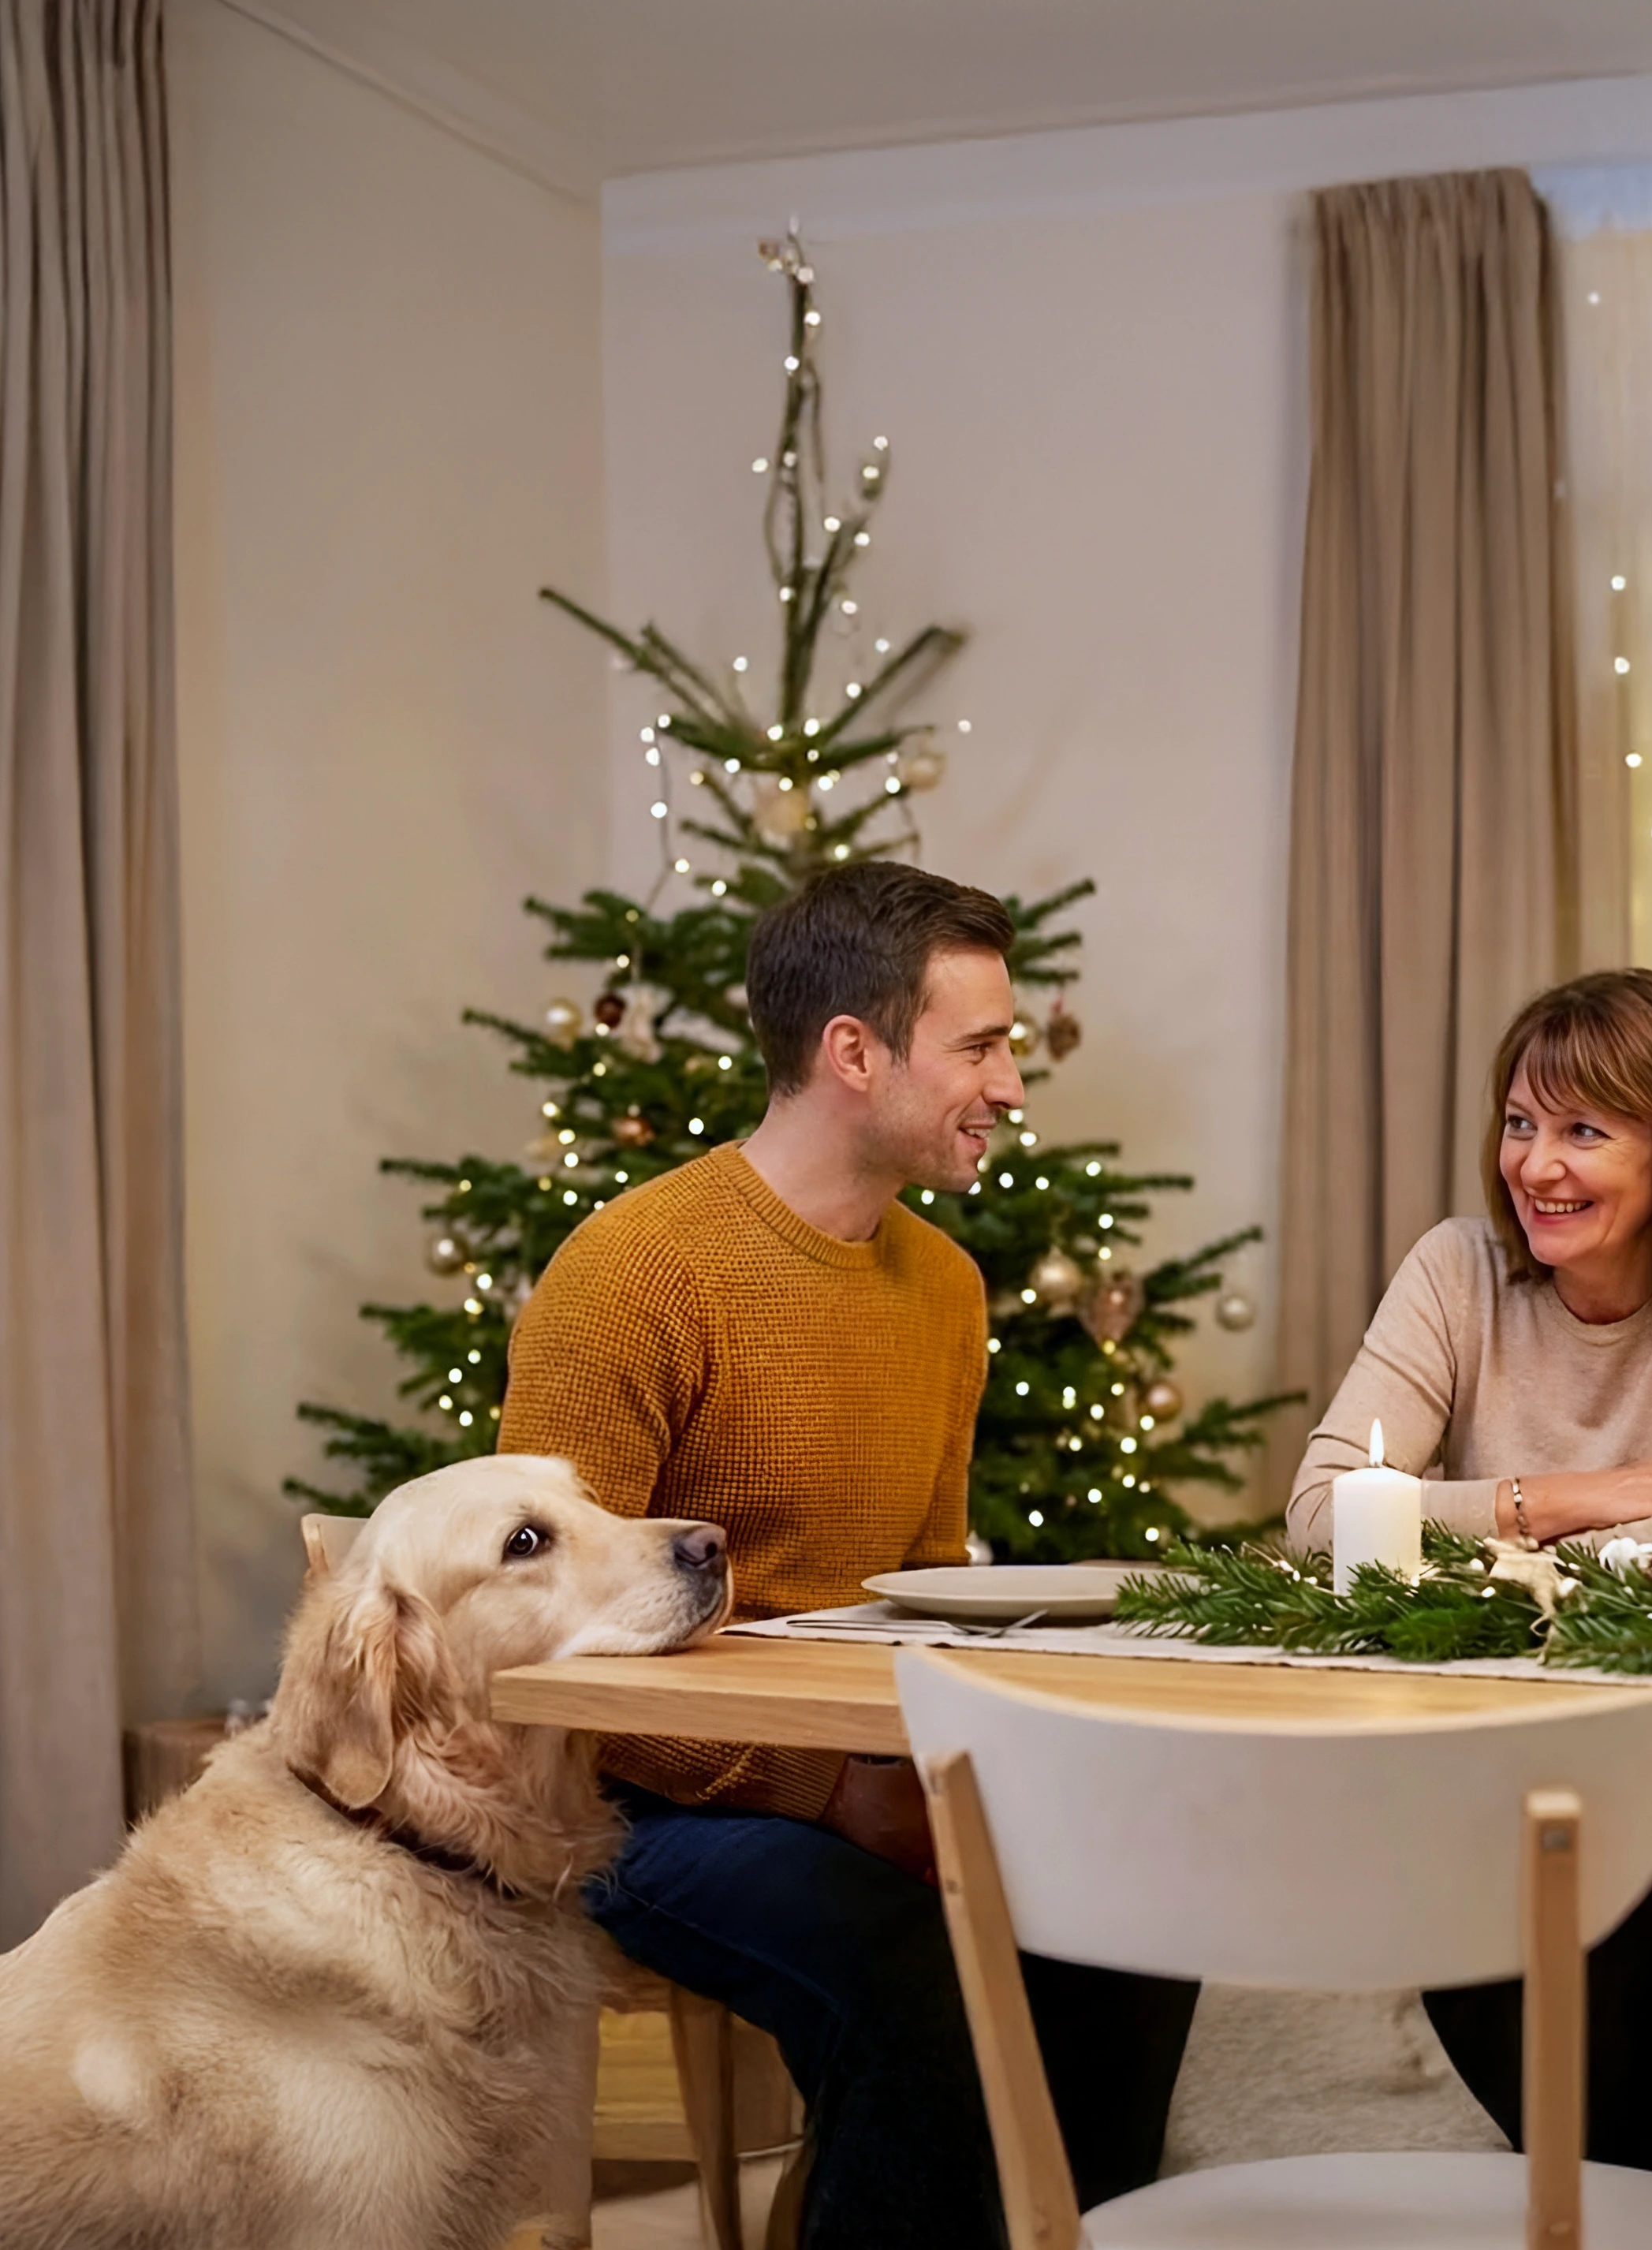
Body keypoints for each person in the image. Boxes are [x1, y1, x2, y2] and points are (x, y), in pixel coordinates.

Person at [499, 860, 1196, 2250]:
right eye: (982, 1049)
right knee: (914, 1973)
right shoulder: (635, 1270)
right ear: (854, 1052)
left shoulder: (944, 1286)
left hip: (855, 1774)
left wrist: (937, 1769)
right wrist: (828, 1794)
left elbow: (925, 1588)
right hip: (635, 1808)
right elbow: (544, 1641)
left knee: (1137, 1922)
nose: (1012, 1089)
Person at [1289, 967, 1652, 2186]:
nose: (1535, 1165)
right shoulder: (1455, 1271)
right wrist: (1590, 1498)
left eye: (1583, 1130)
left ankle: (1637, 2202)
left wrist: (1477, 1553)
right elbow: (1320, 1518)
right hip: (1486, 1749)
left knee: (1651, 1950)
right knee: (1465, 1933)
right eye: (1521, 1123)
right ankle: (1635, 2203)